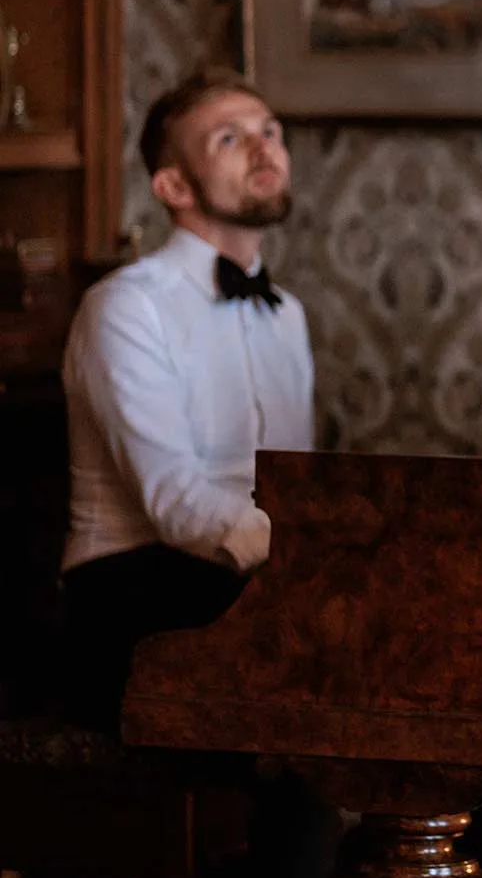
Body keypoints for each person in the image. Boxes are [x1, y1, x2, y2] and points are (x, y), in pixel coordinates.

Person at [59, 66, 311, 732]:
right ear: (172, 186)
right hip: (133, 596)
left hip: (252, 578)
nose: (265, 149)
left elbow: (294, 484)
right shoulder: (124, 306)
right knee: (321, 658)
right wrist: (314, 558)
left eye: (270, 131)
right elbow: (175, 503)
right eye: (230, 138)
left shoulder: (287, 316)